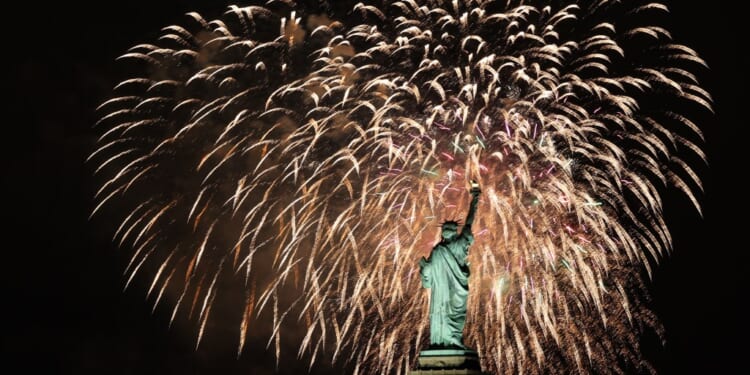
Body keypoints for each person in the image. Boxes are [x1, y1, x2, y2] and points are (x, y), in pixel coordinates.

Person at [419, 181, 480, 348]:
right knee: (456, 314)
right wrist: (475, 196)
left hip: (447, 293)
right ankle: (450, 342)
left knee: (450, 314)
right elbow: (469, 222)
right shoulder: (447, 248)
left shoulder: (440, 250)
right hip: (454, 292)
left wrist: (424, 268)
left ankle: (445, 342)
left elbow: (427, 280)